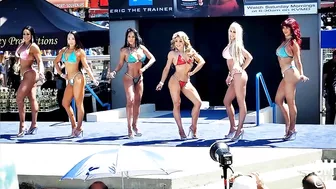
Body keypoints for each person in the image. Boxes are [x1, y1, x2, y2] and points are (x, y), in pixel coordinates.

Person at [156, 31, 205, 140]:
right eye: (176, 41)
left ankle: (193, 127)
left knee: (198, 103)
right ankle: (181, 130)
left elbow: (202, 61)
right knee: (177, 104)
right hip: (175, 80)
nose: (178, 43)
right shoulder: (172, 54)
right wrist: (161, 82)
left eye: (180, 41)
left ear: (184, 41)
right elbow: (166, 68)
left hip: (186, 82)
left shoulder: (190, 52)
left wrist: (193, 72)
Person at [110, 28, 156, 139]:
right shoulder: (124, 50)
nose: (130, 39)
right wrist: (114, 71)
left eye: (132, 36)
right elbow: (121, 64)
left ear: (136, 37)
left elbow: (153, 58)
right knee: (130, 100)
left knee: (137, 101)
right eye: (129, 36)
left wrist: (144, 68)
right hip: (128, 77)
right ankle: (129, 128)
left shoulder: (142, 48)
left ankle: (135, 125)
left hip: (139, 77)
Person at [53, 31, 99, 138]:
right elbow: (55, 62)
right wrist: (61, 74)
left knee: (79, 103)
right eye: (69, 38)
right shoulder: (63, 50)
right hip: (69, 79)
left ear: (76, 39)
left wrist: (93, 79)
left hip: (78, 77)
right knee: (65, 103)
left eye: (72, 38)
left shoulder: (79, 51)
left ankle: (79, 127)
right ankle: (74, 126)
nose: (70, 40)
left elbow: (86, 66)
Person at [275, 18, 309, 140]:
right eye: (283, 27)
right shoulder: (285, 41)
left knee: (290, 102)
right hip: (286, 74)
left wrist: (302, 74)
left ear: (292, 28)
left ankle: (292, 129)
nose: (285, 30)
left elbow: (298, 60)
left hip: (291, 72)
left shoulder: (293, 43)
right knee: (278, 100)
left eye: (287, 27)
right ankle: (289, 125)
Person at [222, 22, 253, 142]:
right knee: (226, 101)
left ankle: (239, 130)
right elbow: (231, 63)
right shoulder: (230, 44)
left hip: (239, 76)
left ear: (238, 33)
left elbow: (249, 57)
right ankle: (233, 128)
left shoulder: (237, 44)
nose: (232, 33)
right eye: (230, 31)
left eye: (234, 31)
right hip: (234, 76)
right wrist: (230, 75)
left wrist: (241, 68)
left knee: (240, 102)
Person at [15, 26, 45, 137]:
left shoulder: (33, 46)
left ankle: (22, 125)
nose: (26, 36)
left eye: (28, 34)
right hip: (24, 75)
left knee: (19, 97)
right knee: (32, 98)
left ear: (32, 35)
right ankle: (34, 125)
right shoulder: (22, 45)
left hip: (30, 74)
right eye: (24, 33)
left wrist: (41, 72)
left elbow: (40, 61)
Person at [322, 50, 336, 124]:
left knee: (331, 108)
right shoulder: (327, 65)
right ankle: (329, 125)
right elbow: (324, 78)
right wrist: (323, 89)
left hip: (332, 87)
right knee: (330, 109)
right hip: (330, 88)